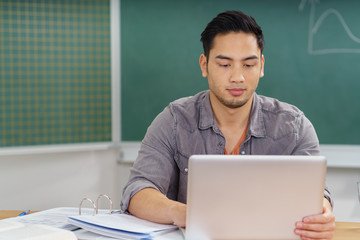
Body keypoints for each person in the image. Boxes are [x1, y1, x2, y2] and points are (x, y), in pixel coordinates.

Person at [121, 10, 335, 240]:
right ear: (204, 65)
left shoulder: (294, 126)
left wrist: (322, 211)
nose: (237, 77)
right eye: (224, 65)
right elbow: (138, 190)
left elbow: (316, 195)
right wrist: (188, 214)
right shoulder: (174, 120)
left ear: (261, 66)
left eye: (248, 65)